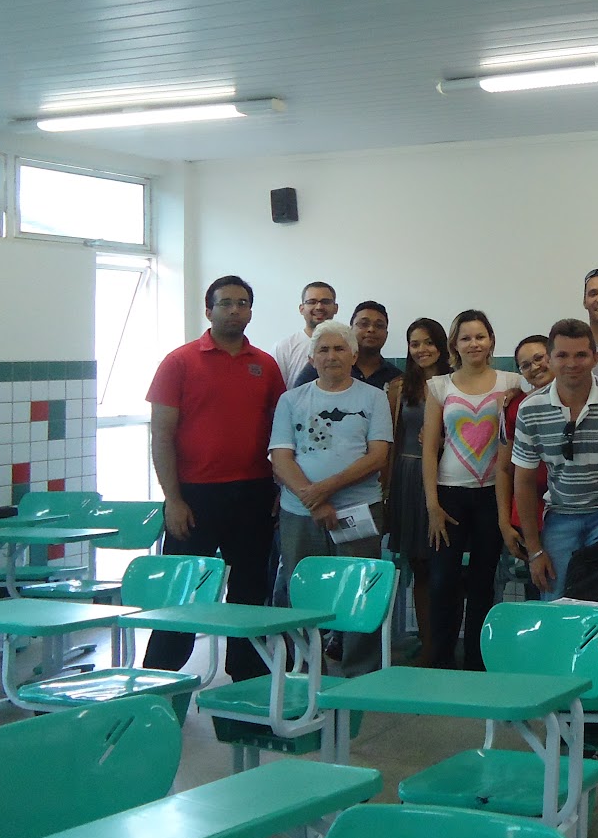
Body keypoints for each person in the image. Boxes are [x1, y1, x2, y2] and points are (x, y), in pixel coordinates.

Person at [144, 275, 285, 680]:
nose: (235, 310)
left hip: (254, 493)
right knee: (184, 591)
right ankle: (158, 681)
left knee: (249, 591)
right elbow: (161, 435)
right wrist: (173, 499)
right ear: (208, 311)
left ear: (251, 312)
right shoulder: (179, 361)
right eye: (226, 303)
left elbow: (281, 432)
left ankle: (248, 680)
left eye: (242, 303)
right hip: (194, 497)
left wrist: (279, 487)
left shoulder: (265, 365)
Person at [269, 319, 392, 676]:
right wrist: (314, 501)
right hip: (299, 513)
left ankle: (361, 674)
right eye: (323, 350)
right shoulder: (291, 399)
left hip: (359, 511)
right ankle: (308, 671)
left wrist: (325, 490)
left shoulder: (374, 398)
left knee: (360, 591)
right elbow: (281, 457)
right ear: (311, 358)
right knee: (302, 591)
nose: (331, 355)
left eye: (339, 348)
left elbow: (378, 456)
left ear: (353, 355)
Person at [512, 319, 598, 596]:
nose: (572, 363)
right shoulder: (530, 409)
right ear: (550, 360)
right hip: (560, 515)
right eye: (562, 355)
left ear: (595, 358)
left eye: (581, 355)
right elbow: (524, 480)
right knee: (556, 600)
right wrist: (535, 550)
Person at [419, 309, 520, 669]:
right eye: (466, 338)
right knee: (443, 580)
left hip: (494, 495)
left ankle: (478, 662)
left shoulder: (512, 382)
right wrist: (432, 505)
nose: (474, 343)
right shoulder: (439, 386)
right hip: (449, 494)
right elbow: (430, 449)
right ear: (455, 345)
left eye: (480, 336)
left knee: (483, 581)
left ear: (491, 341)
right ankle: (441, 662)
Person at [388, 316, 451, 660]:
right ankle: (428, 647)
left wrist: (442, 440)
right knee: (420, 566)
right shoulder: (400, 388)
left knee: (447, 565)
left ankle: (445, 644)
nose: (422, 349)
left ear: (442, 345)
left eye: (428, 342)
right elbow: (391, 440)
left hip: (449, 476)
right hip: (408, 477)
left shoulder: (457, 383)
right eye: (415, 344)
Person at [494, 335, 554, 602]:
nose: (535, 367)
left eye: (539, 358)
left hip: (572, 514)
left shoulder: (579, 399)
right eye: (526, 365)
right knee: (537, 592)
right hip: (530, 518)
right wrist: (504, 522)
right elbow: (504, 469)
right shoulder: (514, 407)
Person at [292, 301, 404, 392]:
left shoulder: (396, 377)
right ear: (350, 329)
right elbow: (297, 398)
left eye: (379, 325)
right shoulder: (323, 366)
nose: (371, 329)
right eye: (364, 324)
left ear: (386, 334)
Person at [273, 281, 338, 383]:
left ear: (336, 308)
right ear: (301, 309)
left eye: (325, 302)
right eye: (312, 302)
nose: (319, 307)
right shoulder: (284, 347)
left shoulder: (347, 345)